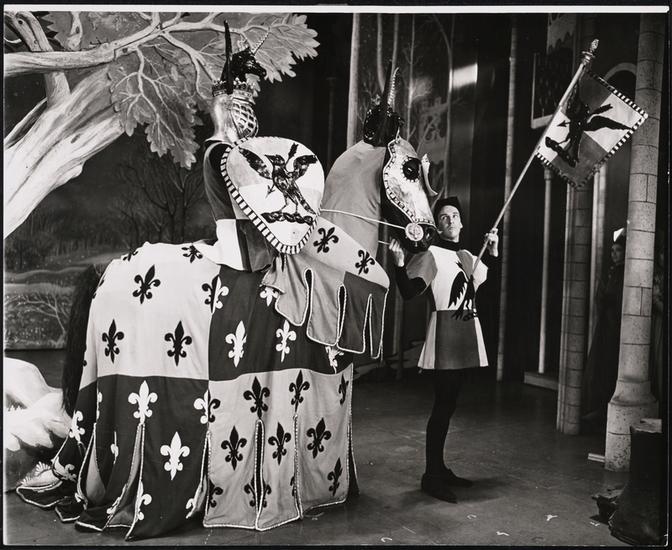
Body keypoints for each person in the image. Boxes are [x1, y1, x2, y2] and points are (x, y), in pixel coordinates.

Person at [389, 196, 499, 503]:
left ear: (462, 223)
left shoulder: (468, 255)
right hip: (446, 334)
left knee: (449, 405)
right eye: (444, 217)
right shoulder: (430, 254)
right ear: (437, 226)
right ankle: (431, 477)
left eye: (454, 216)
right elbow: (409, 292)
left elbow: (484, 289)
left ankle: (439, 468)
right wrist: (399, 265)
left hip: (467, 331)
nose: (450, 220)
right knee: (442, 405)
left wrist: (492, 253)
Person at [580, 231, 626, 433]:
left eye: (618, 251)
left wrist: (610, 301)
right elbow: (601, 296)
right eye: (612, 251)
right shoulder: (610, 272)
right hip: (605, 324)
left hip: (616, 326)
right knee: (600, 365)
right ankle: (597, 408)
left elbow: (619, 298)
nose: (614, 254)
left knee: (610, 365)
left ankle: (606, 411)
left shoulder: (623, 273)